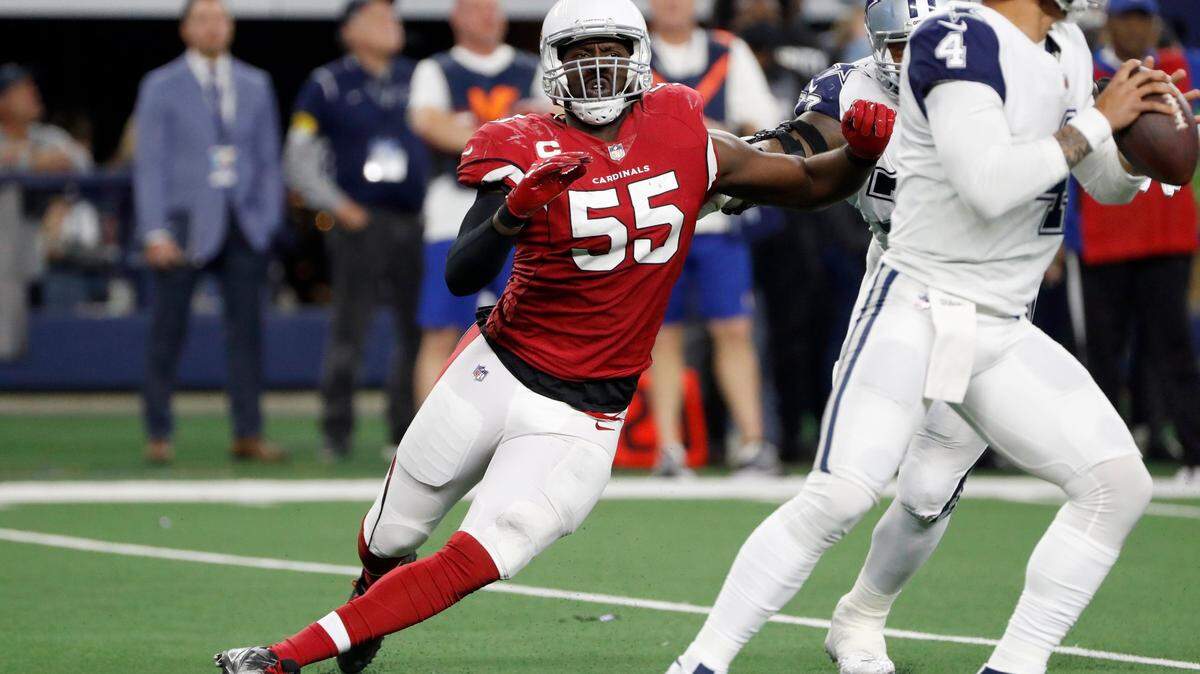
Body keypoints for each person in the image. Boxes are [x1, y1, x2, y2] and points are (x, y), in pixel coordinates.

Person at [213, 0, 897, 671]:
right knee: (389, 533)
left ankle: (288, 655)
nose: (598, 70)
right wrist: (512, 210)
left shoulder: (683, 128)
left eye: (611, 54)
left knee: (483, 551)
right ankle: (370, 601)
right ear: (552, 65)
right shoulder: (521, 142)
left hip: (583, 414)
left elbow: (807, 182)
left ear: (639, 59)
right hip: (495, 369)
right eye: (581, 55)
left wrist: (859, 155)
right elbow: (462, 272)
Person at [670, 0, 1198, 672]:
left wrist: (1139, 148)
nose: (904, 59)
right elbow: (982, 185)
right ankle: (700, 662)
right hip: (916, 300)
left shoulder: (1060, 47)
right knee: (840, 494)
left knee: (1092, 486)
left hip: (1003, 318)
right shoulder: (945, 49)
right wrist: (731, 174)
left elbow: (1101, 181)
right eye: (894, 47)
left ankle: (981, 655)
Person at [133, 0, 285, 465]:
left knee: (248, 335)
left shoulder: (256, 83)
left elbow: (267, 159)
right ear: (184, 29)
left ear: (231, 26)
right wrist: (154, 230)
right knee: (167, 330)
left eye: (220, 19)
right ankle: (158, 432)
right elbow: (150, 163)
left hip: (243, 224)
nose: (212, 27)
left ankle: (248, 432)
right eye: (202, 19)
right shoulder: (160, 85)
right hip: (183, 224)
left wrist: (265, 221)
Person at [284, 0, 431, 461]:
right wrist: (337, 205)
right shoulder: (327, 84)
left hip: (414, 221)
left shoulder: (419, 76)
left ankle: (403, 431)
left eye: (394, 17)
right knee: (351, 328)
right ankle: (337, 431)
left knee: (417, 331)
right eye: (378, 17)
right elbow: (299, 154)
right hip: (358, 220)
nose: (392, 25)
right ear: (349, 31)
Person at [647, 0, 784, 476]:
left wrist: (723, 142)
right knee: (663, 335)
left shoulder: (728, 50)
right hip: (656, 215)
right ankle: (668, 447)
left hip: (719, 217)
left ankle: (751, 441)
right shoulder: (637, 53)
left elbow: (766, 127)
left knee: (734, 328)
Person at [1069, 0, 1200, 483]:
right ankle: (1105, 459)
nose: (1139, 27)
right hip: (1104, 237)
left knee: (1175, 348)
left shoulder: (1180, 67)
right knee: (1103, 354)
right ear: (1109, 22)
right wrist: (1067, 237)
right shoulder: (1084, 76)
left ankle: (1193, 452)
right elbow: (1069, 155)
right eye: (1129, 17)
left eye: (1145, 18)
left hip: (1169, 236)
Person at [408, 0, 547, 405]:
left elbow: (552, 122)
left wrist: (471, 133)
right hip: (452, 212)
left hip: (521, 213)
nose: (488, 16)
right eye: (476, 8)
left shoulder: (528, 66)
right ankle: (425, 433)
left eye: (493, 7)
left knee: (530, 326)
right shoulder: (436, 68)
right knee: (441, 328)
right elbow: (429, 124)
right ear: (457, 17)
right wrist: (510, 138)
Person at [0, 63, 93, 359]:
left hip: (49, 244)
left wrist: (59, 203)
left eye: (32, 89)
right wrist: (30, 161)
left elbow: (81, 161)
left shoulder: (48, 136)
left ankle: (65, 358)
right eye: (22, 91)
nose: (32, 96)